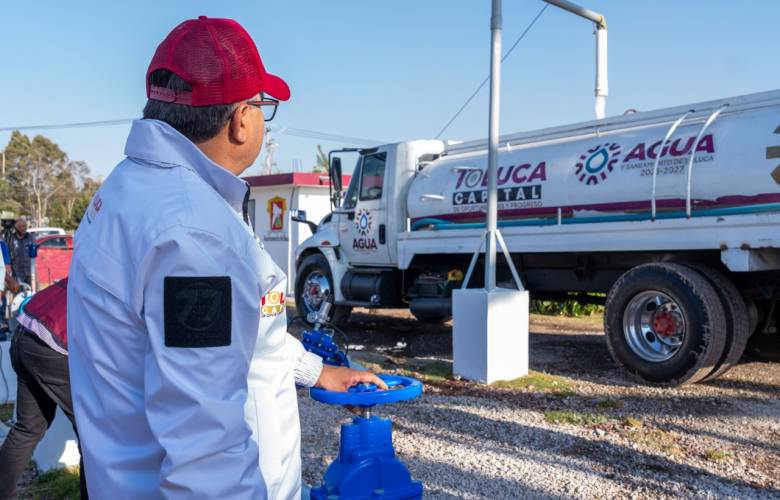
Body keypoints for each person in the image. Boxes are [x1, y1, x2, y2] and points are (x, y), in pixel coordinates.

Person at [67, 16, 385, 498]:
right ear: (241, 120)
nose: (261, 117)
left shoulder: (135, 189)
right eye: (263, 105)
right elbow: (205, 450)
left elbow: (238, 331)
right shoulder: (193, 235)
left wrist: (314, 371)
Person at [0, 278, 88, 499]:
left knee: (28, 428)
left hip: (25, 331)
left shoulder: (92, 263)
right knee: (92, 436)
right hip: (51, 344)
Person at [9, 220, 34, 287]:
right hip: (17, 273)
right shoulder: (11, 238)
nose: (24, 228)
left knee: (32, 292)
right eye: (21, 226)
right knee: (18, 293)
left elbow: (35, 250)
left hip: (30, 271)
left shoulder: (30, 237)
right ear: (16, 228)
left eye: (25, 226)